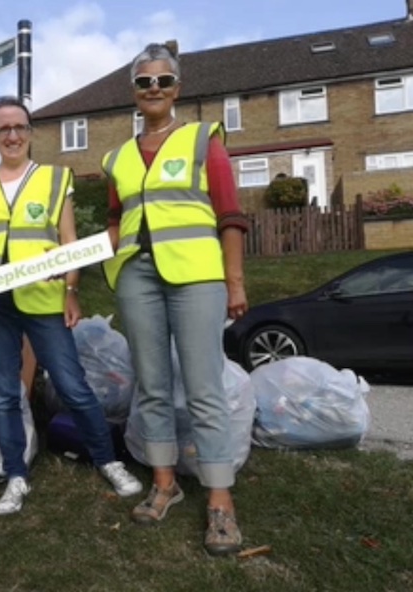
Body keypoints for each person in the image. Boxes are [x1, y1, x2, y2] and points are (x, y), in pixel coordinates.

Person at [0, 95, 143, 515]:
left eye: (20, 127)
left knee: (73, 386)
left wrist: (72, 291)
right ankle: (16, 475)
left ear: (30, 133)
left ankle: (108, 461)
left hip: (43, 299)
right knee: (3, 393)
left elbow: (68, 243)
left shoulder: (54, 178)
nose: (13, 136)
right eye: (3, 129)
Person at [102, 44, 249, 556]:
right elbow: (116, 216)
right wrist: (109, 259)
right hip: (137, 279)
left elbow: (230, 214)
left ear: (178, 89)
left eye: (163, 80)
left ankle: (221, 502)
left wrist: (234, 282)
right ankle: (165, 484)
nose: (154, 89)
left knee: (205, 388)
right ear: (134, 93)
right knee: (152, 385)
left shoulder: (202, 140)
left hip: (196, 279)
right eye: (144, 82)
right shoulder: (117, 156)